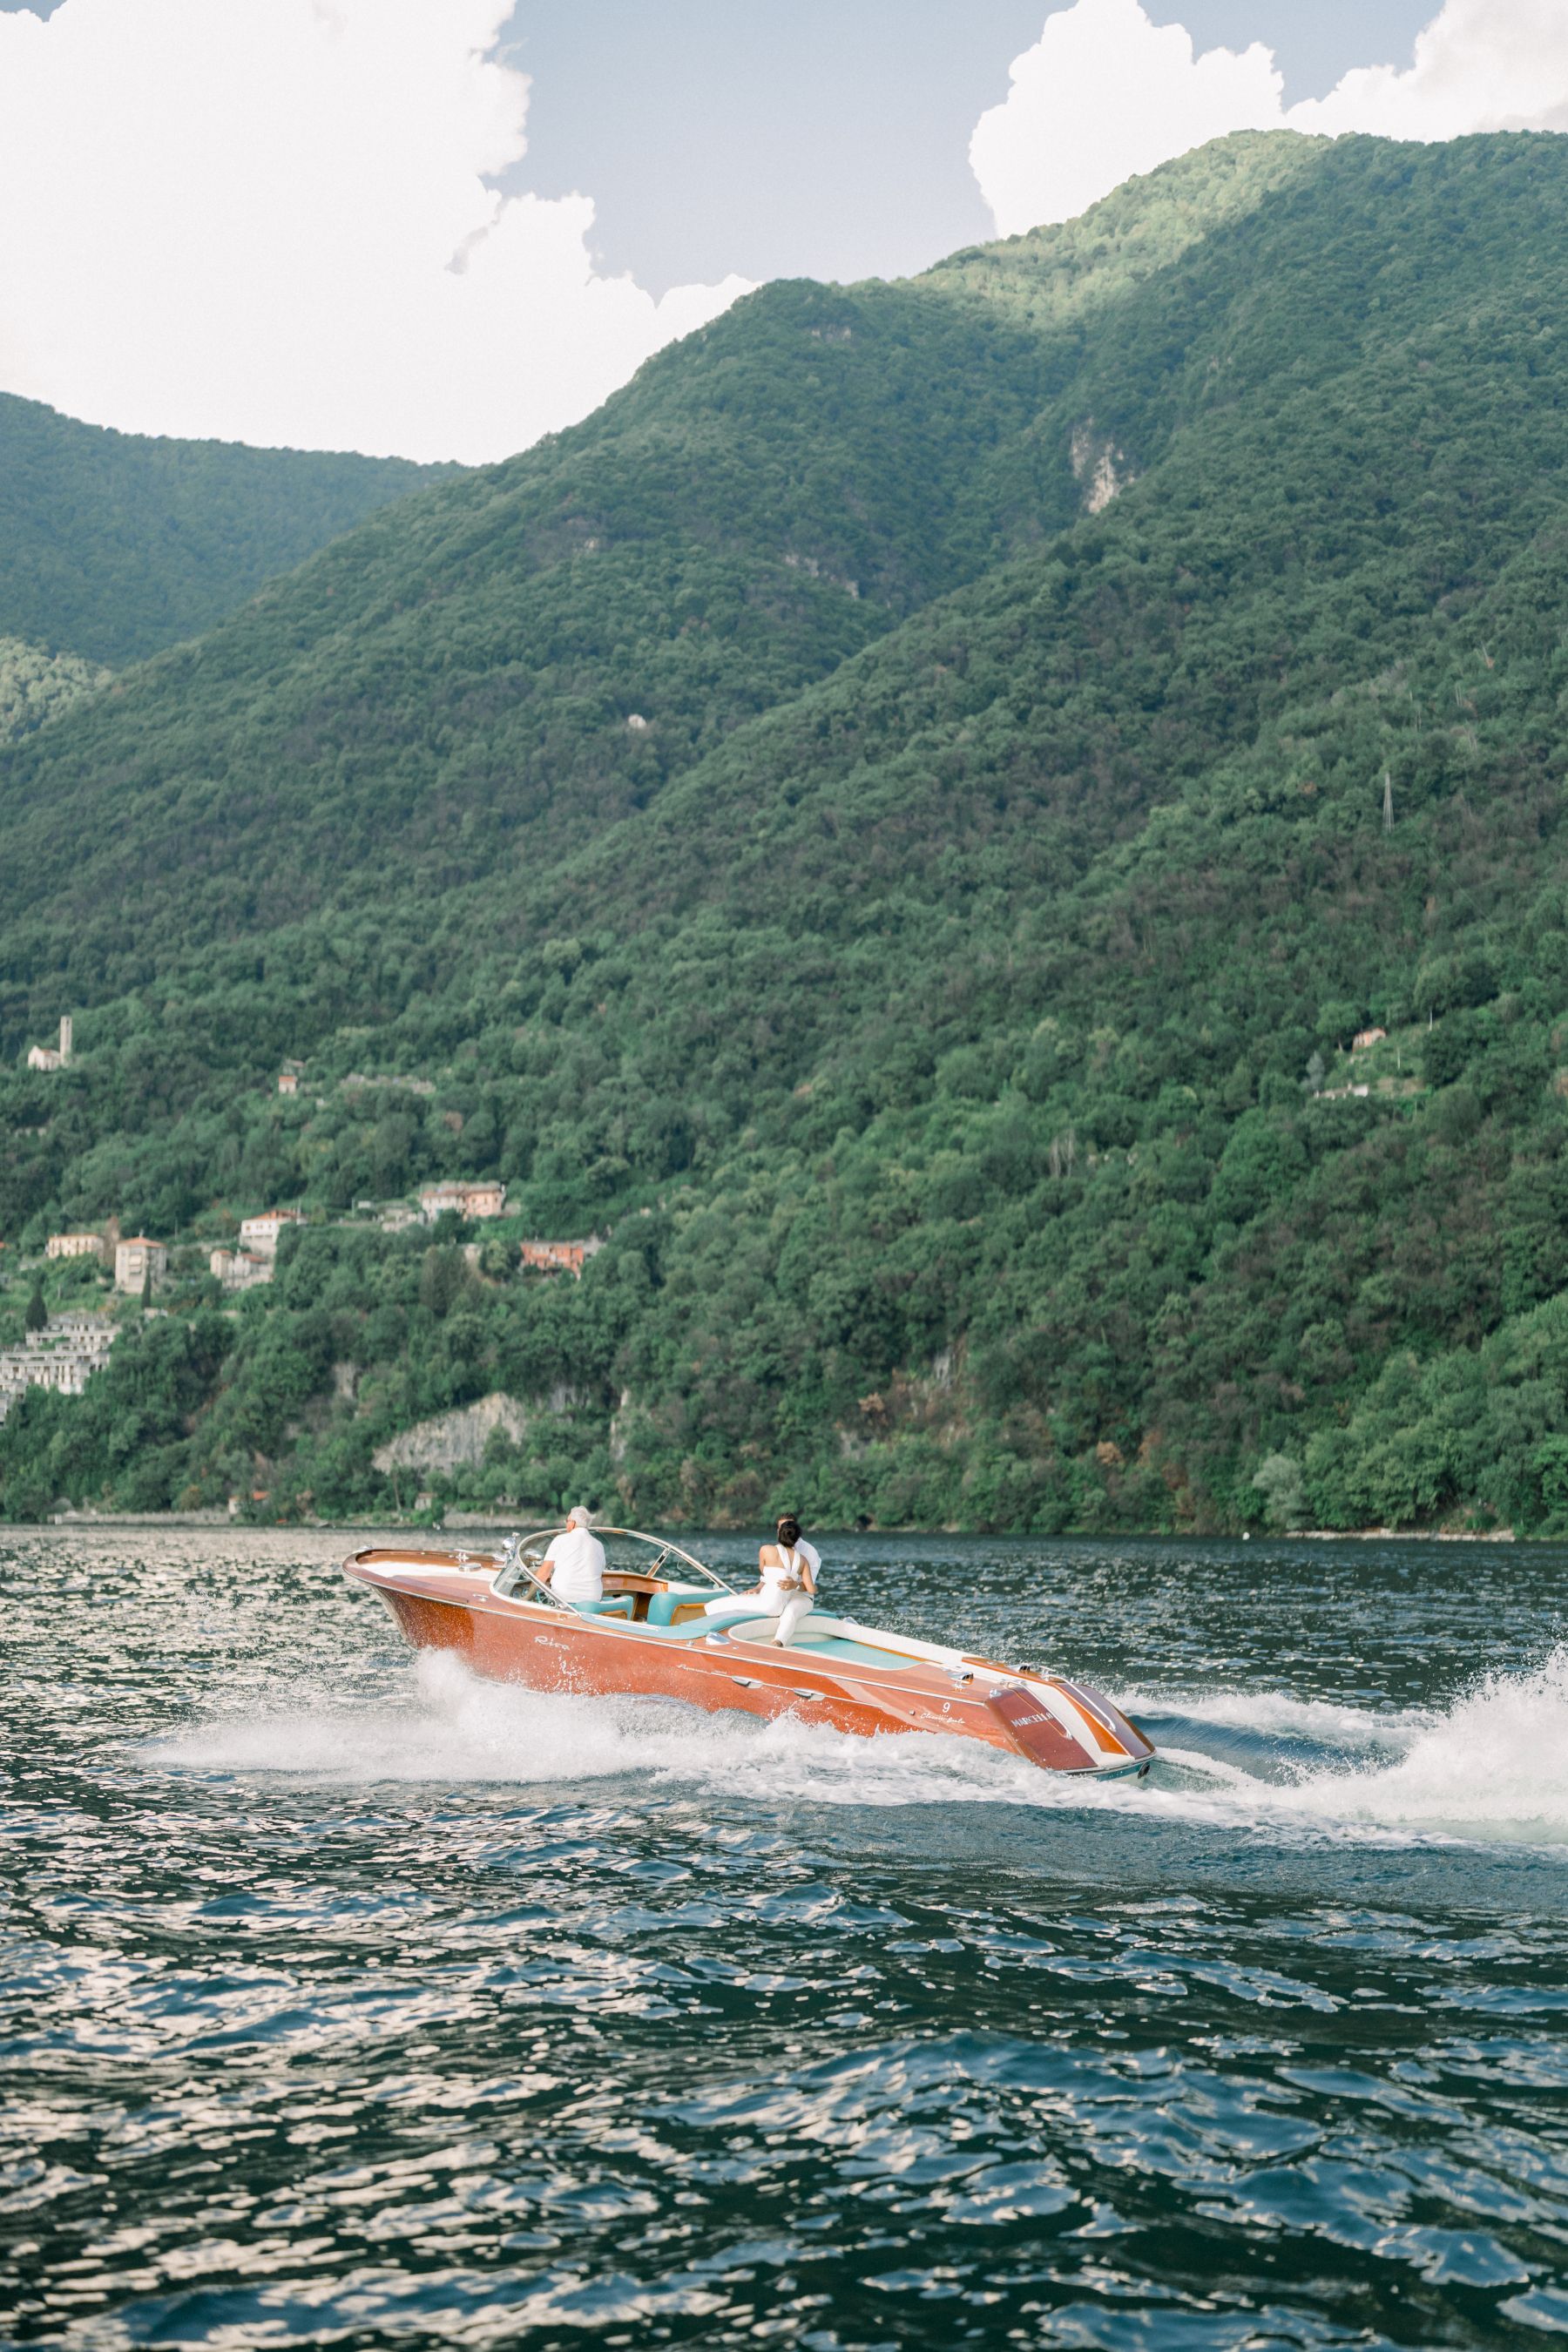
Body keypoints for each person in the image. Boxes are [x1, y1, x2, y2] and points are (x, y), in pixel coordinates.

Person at [705, 1512, 821, 1646]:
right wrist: (757, 1588)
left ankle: (778, 1642)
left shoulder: (808, 1553)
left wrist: (795, 1585)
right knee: (744, 1598)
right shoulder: (799, 1559)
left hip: (800, 1596)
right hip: (779, 1598)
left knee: (790, 1612)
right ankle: (726, 1634)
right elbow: (768, 1577)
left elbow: (810, 1588)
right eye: (783, 1527)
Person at [537, 1506, 606, 1605]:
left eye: (567, 1521)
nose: (566, 1524)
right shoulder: (599, 1545)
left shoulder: (560, 1539)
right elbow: (599, 1572)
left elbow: (544, 1574)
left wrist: (526, 1597)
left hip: (563, 1600)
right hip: (593, 1600)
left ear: (573, 1523)